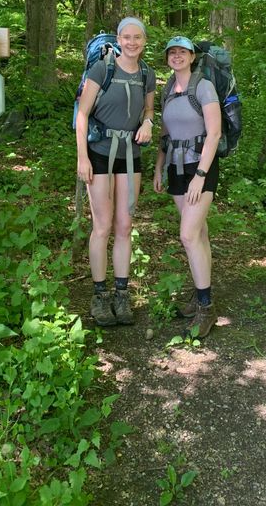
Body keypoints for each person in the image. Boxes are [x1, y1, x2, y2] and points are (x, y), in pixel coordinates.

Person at [76, 17, 156, 327]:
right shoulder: (103, 69)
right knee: (102, 226)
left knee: (124, 226)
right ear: (119, 39)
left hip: (131, 155)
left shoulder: (147, 73)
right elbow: (82, 115)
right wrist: (82, 157)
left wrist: (149, 122)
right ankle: (99, 295)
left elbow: (148, 109)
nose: (132, 42)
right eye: (127, 36)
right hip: (98, 154)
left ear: (144, 41)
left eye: (137, 37)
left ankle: (122, 296)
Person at [153, 36, 221, 338]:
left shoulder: (203, 86)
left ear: (192, 56)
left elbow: (215, 133)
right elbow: (165, 135)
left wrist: (201, 174)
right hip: (176, 168)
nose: (177, 56)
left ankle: (206, 308)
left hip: (200, 167)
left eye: (183, 52)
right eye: (172, 52)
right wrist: (158, 167)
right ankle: (200, 293)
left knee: (188, 234)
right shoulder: (168, 89)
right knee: (200, 234)